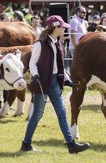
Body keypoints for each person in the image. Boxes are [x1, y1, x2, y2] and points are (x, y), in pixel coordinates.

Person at [21, 16, 90, 154]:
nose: (65, 29)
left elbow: (59, 67)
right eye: (63, 27)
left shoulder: (58, 44)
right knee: (37, 114)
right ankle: (26, 144)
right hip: (42, 81)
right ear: (55, 27)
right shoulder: (40, 44)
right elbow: (32, 63)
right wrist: (35, 75)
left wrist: (67, 79)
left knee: (62, 113)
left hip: (54, 83)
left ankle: (71, 145)